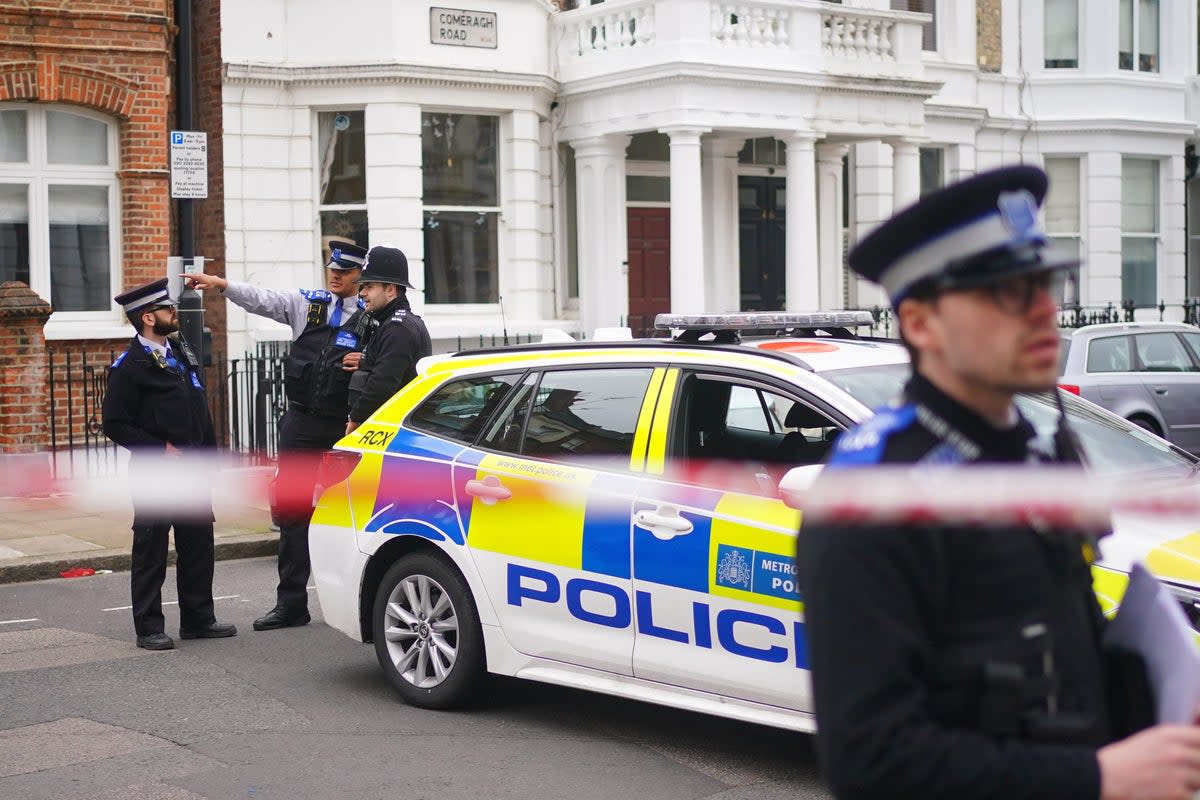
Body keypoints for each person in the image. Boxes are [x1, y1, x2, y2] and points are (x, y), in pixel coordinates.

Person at [797, 165, 1200, 800]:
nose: (1046, 310)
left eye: (1045, 283)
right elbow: (871, 761)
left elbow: (1061, 666)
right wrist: (1097, 778)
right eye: (1009, 291)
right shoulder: (875, 497)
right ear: (922, 323)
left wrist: (1165, 711)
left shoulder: (1028, 453)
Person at [185, 240, 374, 632]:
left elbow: (398, 360)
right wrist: (221, 284)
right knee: (292, 512)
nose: (335, 275)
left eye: (345, 271)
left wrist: (367, 362)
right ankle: (291, 603)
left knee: (352, 513)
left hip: (348, 425)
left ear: (363, 276)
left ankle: (358, 602)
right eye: (332, 269)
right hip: (303, 423)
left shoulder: (376, 315)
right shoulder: (312, 304)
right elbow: (263, 299)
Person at [102, 278, 238, 651]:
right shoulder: (130, 366)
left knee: (198, 545)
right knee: (151, 548)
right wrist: (160, 449)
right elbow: (114, 424)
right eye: (166, 309)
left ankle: (198, 619)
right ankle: (149, 627)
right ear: (148, 317)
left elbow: (199, 409)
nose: (173, 313)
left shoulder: (178, 350)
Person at [346, 245, 432, 435]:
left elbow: (382, 384)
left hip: (391, 432)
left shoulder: (397, 328)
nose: (362, 293)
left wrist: (356, 419)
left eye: (369, 286)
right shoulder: (390, 324)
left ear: (391, 290)